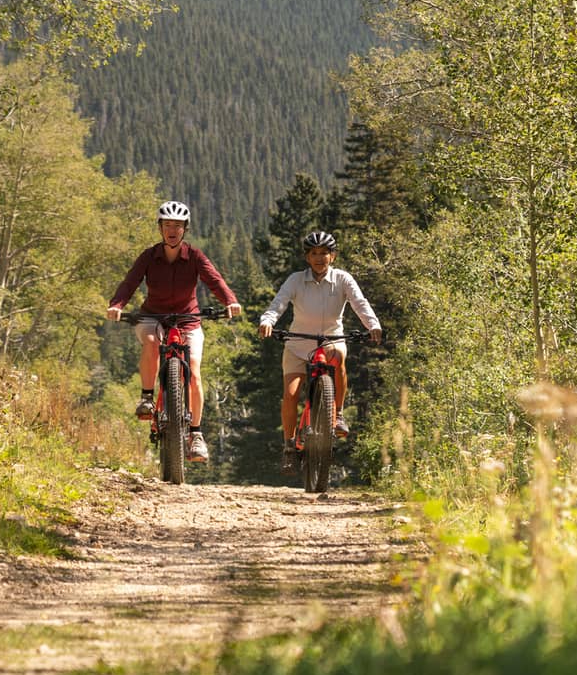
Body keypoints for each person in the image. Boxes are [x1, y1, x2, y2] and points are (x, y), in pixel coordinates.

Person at [107, 200, 242, 463]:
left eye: (177, 226)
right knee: (150, 343)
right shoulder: (148, 256)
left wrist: (230, 301)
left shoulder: (194, 256)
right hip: (152, 316)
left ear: (185, 229)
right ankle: (147, 398)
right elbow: (129, 283)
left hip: (188, 319)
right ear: (160, 227)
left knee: (193, 370)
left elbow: (215, 280)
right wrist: (116, 305)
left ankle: (196, 435)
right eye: (167, 224)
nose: (172, 230)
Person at [258, 230, 382, 474]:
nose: (319, 258)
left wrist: (373, 325)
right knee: (291, 394)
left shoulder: (343, 280)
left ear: (332, 256)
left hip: (331, 340)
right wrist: (268, 321)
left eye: (324, 253)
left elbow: (360, 303)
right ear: (307, 257)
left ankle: (337, 414)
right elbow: (279, 303)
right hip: (298, 344)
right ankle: (289, 447)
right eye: (314, 253)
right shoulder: (296, 280)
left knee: (340, 359)